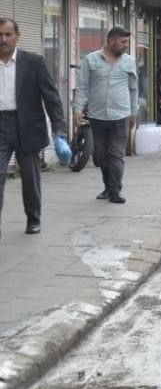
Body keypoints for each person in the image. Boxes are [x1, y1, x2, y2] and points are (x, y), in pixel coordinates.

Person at [0, 16, 67, 237]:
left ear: (17, 37)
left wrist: (59, 129)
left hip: (27, 125)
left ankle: (33, 219)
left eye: (8, 34)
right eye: (0, 35)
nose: (3, 39)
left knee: (30, 177)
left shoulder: (34, 62)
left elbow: (51, 97)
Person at [73, 25, 138, 204]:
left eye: (127, 42)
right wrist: (77, 109)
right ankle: (107, 187)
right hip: (97, 116)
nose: (126, 45)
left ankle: (115, 190)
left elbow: (133, 89)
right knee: (101, 155)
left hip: (121, 115)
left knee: (116, 153)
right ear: (111, 41)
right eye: (123, 42)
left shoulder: (129, 62)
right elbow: (82, 86)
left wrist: (134, 112)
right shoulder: (90, 60)